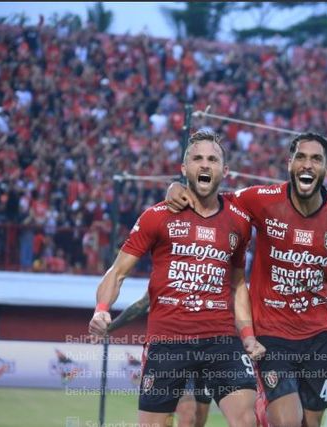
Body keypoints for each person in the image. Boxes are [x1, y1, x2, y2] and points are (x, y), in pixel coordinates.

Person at [166, 132, 327, 427]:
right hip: (271, 333)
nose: (307, 164)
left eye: (316, 159)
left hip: (320, 333)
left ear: (326, 170)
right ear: (290, 164)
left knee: (310, 423)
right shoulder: (261, 200)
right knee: (287, 422)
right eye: (300, 157)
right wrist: (176, 187)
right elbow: (213, 199)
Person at [89, 131, 265, 427]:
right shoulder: (157, 216)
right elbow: (117, 272)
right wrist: (102, 309)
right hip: (168, 341)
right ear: (184, 169)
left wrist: (247, 336)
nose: (205, 165)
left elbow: (237, 284)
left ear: (225, 171)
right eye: (197, 158)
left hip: (220, 339)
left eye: (213, 159)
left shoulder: (239, 222)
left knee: (246, 419)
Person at [107, 292, 212, 427]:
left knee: (198, 419)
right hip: (171, 351)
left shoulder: (217, 274)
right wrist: (110, 327)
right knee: (186, 416)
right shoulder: (166, 276)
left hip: (207, 350)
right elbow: (142, 303)